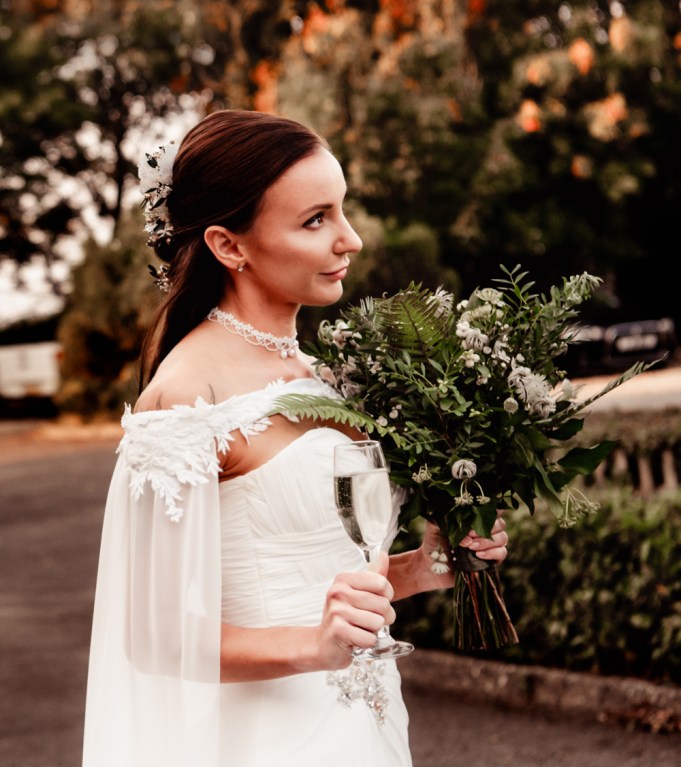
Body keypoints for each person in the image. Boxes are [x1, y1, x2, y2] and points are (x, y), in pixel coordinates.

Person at [82, 109, 508, 767]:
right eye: (316, 220)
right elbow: (153, 634)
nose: (351, 239)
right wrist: (313, 647)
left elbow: (321, 572)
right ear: (230, 245)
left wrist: (416, 570)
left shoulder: (320, 371)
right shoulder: (187, 394)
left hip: (363, 718)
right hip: (265, 740)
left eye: (341, 210)